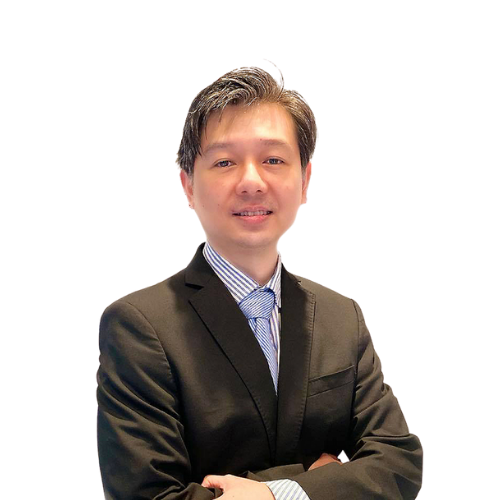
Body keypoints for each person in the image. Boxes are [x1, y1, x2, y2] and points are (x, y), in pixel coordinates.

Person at [97, 61, 423, 499]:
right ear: (187, 184)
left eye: (273, 159)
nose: (251, 181)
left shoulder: (341, 317)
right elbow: (147, 494)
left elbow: (400, 463)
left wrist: (274, 494)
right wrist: (324, 479)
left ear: (305, 180)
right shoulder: (139, 325)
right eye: (225, 161)